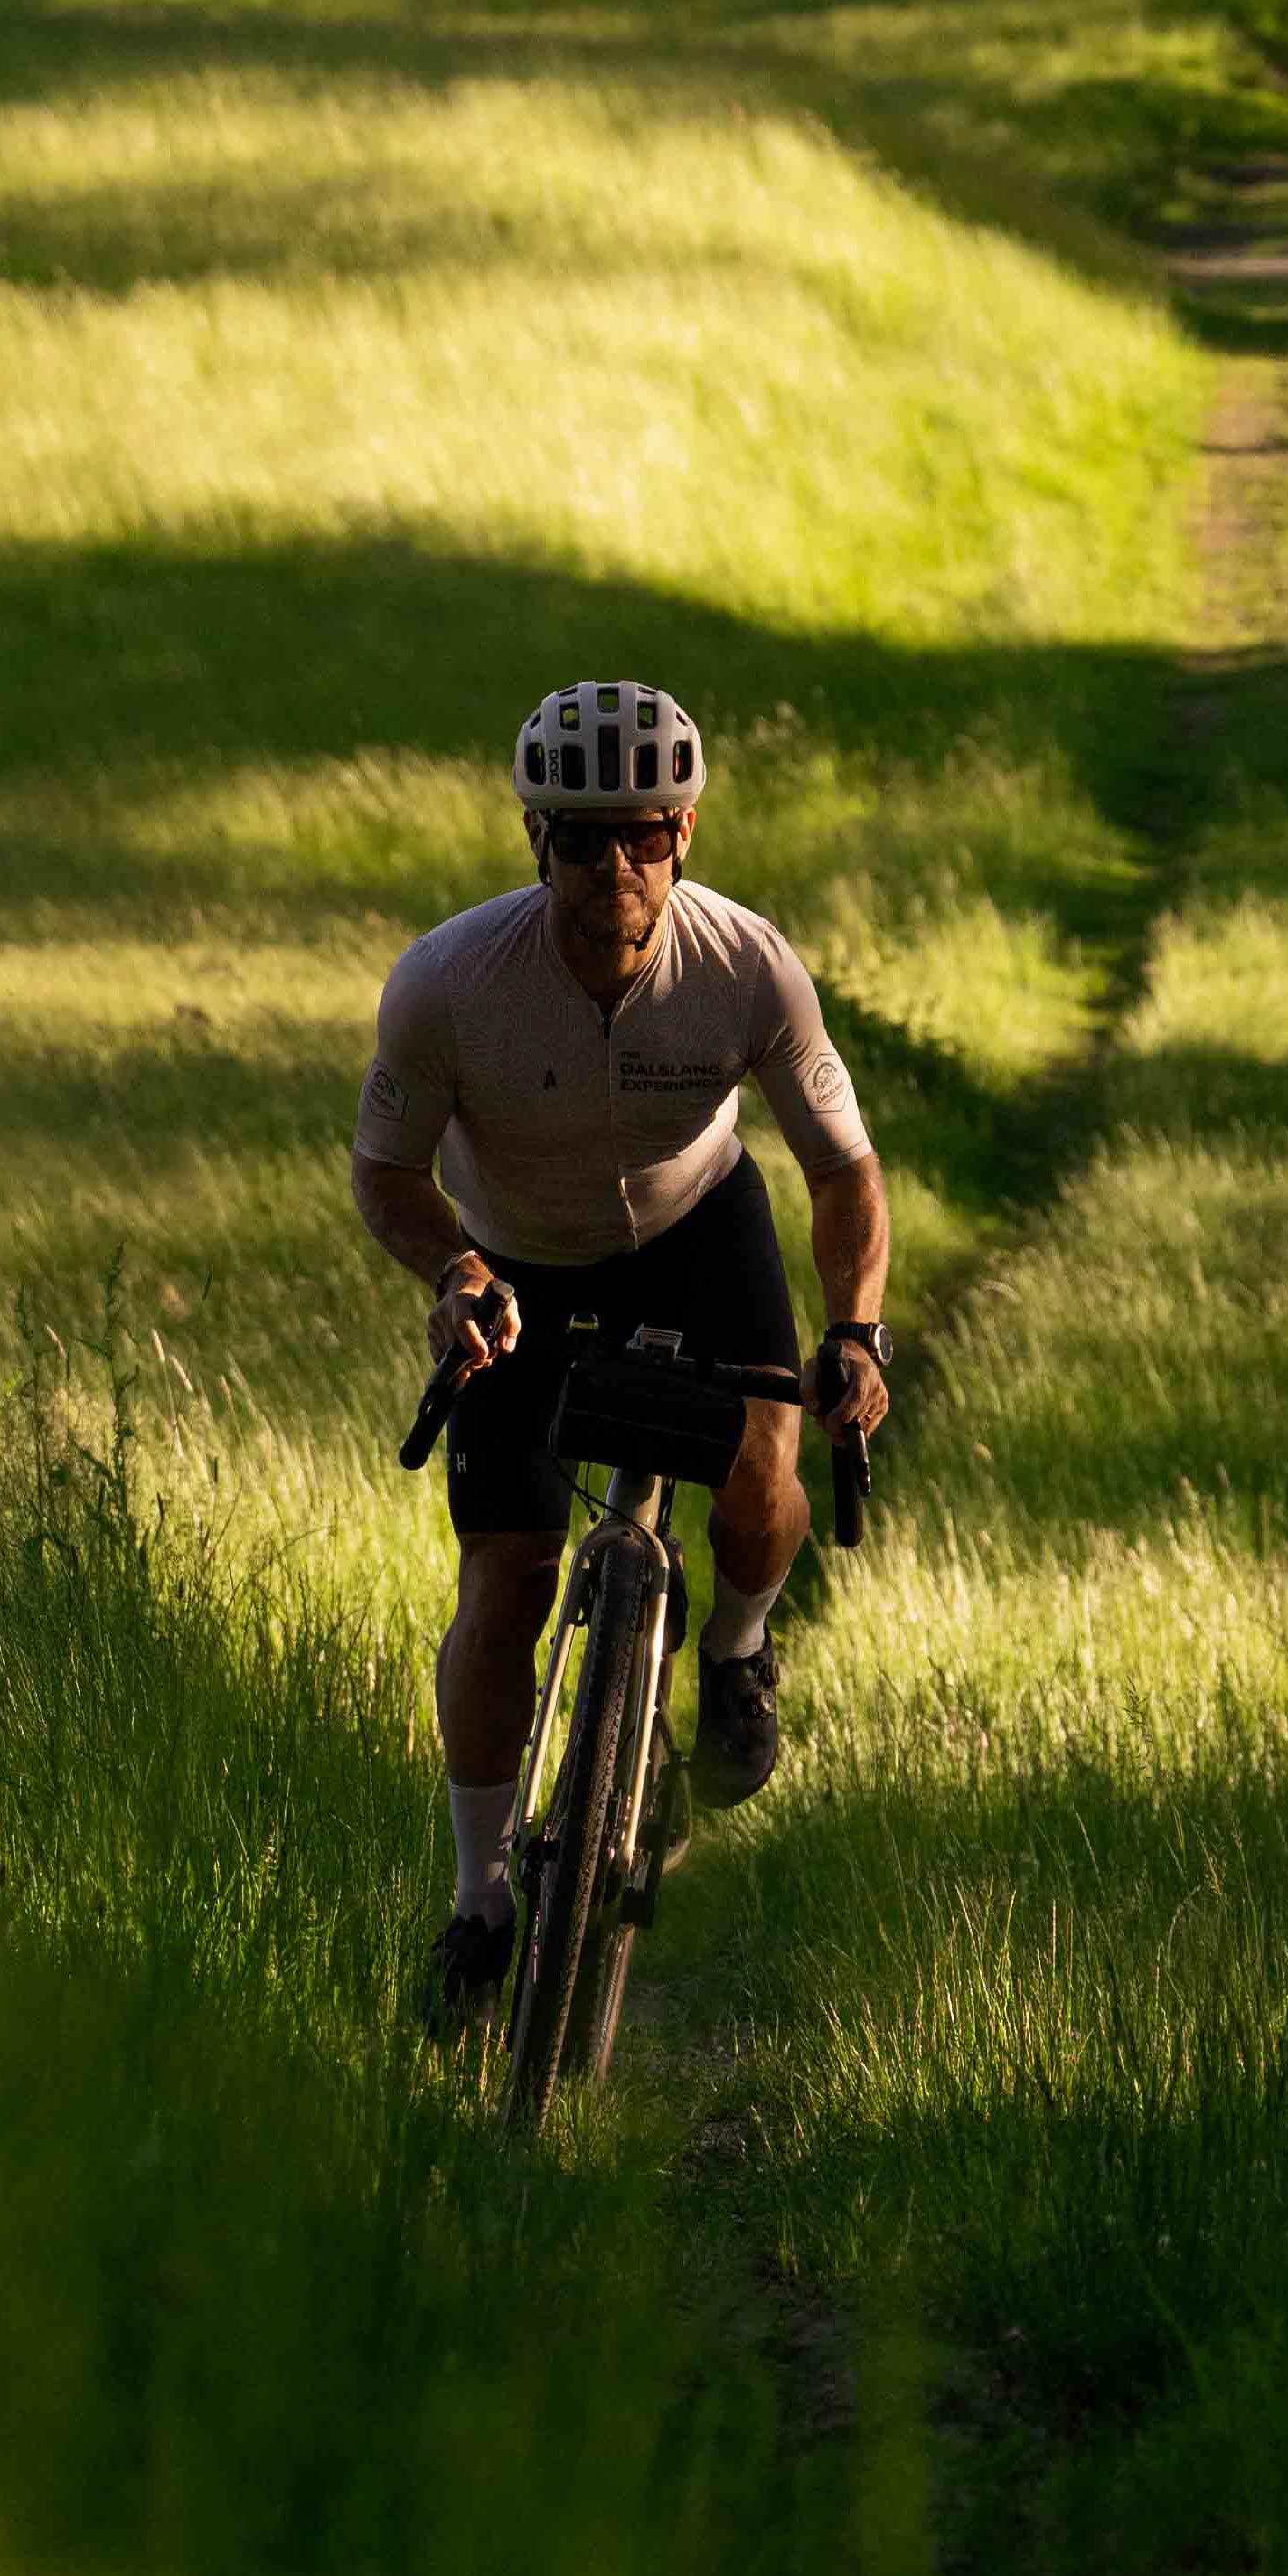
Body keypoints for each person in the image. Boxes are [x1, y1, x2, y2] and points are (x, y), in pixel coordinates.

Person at [350, 678, 893, 2030]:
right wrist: (454, 1270)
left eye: (641, 833)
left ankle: (736, 1650)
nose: (613, 865)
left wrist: (857, 1327)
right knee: (505, 1576)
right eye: (581, 836)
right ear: (535, 838)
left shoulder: (746, 963)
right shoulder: (447, 982)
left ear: (684, 832)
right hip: (516, 1252)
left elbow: (843, 1171)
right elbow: (386, 1170)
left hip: (695, 1223)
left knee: (764, 1462)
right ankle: (479, 1901)